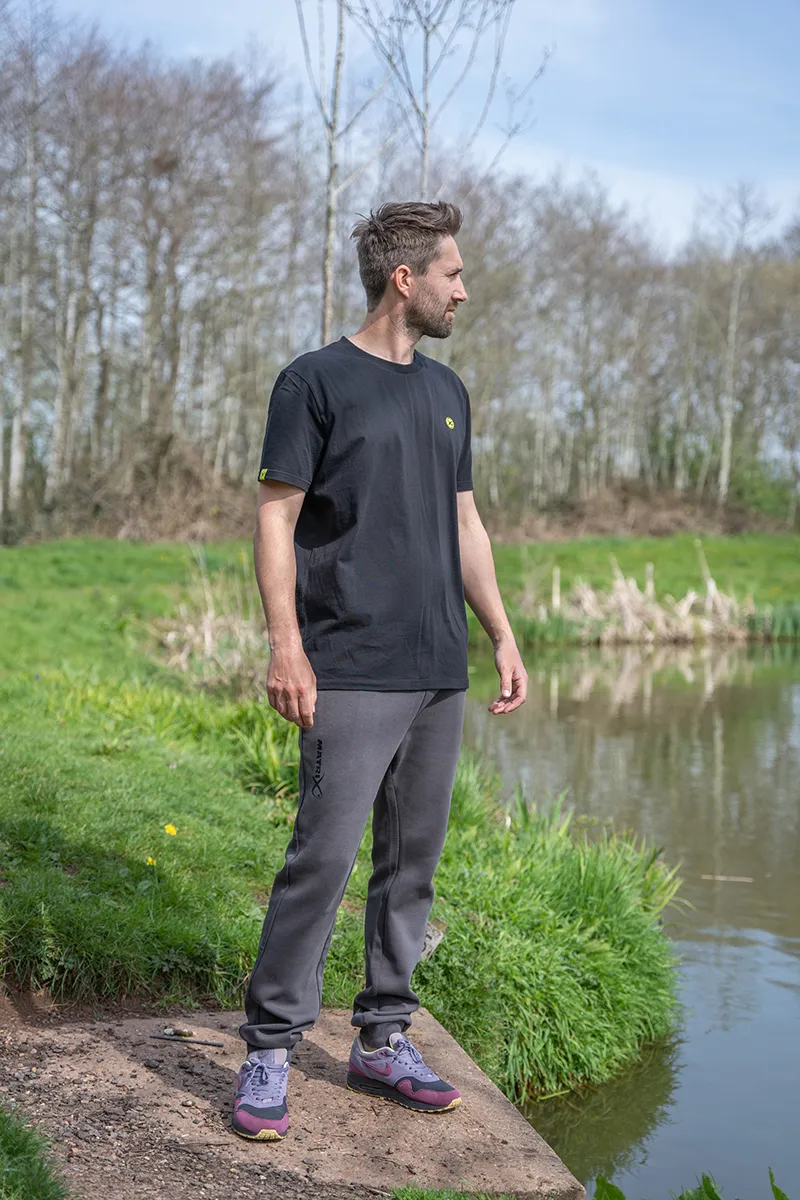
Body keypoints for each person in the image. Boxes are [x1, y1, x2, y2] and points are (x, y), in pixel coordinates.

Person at [232, 201, 527, 1142]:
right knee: (322, 859)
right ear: (407, 279)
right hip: (350, 663)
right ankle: (271, 1046)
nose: (463, 291)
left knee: (412, 864)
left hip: (437, 665)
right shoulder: (313, 382)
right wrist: (286, 645)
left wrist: (501, 632)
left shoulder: (448, 391)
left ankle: (383, 1035)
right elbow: (276, 518)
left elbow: (465, 521)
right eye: (453, 273)